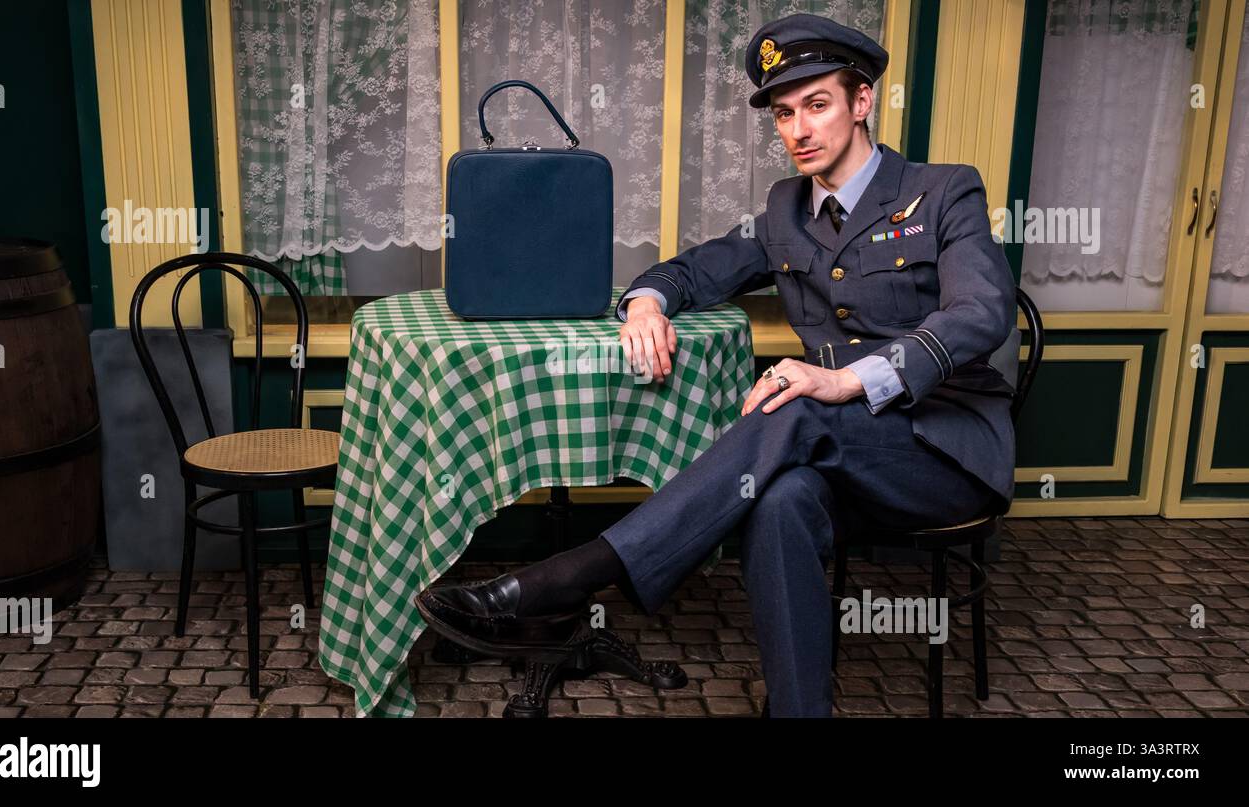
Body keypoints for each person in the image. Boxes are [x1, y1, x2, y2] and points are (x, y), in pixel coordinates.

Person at [416, 12, 1017, 717]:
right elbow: (696, 270)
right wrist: (645, 302)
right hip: (837, 457)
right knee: (780, 500)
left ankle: (573, 574)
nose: (798, 130)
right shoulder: (785, 210)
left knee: (791, 406)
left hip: (940, 452)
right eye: (785, 113)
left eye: (818, 105)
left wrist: (845, 378)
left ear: (862, 103)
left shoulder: (945, 190)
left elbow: (982, 312)